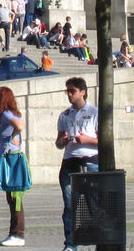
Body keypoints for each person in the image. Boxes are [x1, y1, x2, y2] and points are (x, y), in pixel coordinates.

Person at [57, 76, 99, 251]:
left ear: (83, 92)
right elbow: (58, 143)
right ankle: (70, 244)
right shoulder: (64, 115)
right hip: (70, 160)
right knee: (69, 204)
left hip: (90, 159)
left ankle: (99, 240)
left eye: (72, 91)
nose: (69, 95)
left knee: (93, 203)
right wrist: (64, 140)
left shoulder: (95, 112)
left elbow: (104, 141)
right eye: (67, 91)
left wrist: (87, 139)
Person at [0, 85, 27, 247]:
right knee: (13, 197)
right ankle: (14, 233)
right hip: (12, 157)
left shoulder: (6, 114)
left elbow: (20, 126)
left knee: (15, 197)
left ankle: (18, 234)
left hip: (11, 159)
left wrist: (13, 137)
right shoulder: (13, 113)